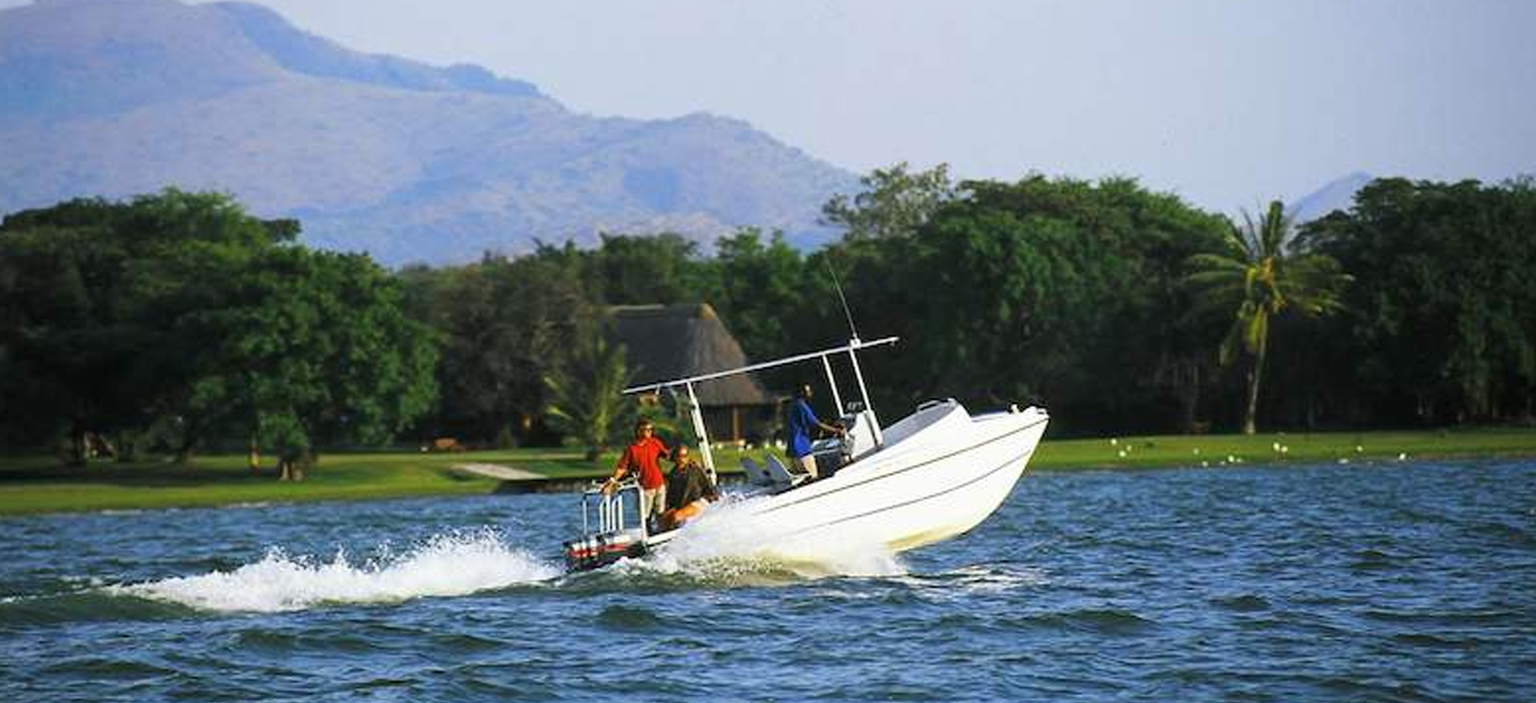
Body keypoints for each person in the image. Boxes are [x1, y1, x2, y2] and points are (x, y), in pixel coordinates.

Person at [604, 419, 670, 526]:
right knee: (645, 516)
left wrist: (685, 459)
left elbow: (668, 455)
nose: (649, 432)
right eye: (646, 430)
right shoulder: (631, 449)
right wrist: (612, 481)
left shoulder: (655, 442)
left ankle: (662, 531)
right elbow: (622, 468)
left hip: (659, 484)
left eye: (650, 429)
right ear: (638, 431)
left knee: (660, 513)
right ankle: (647, 532)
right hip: (645, 488)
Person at [785, 383, 844, 480]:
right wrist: (837, 430)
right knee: (813, 478)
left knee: (802, 480)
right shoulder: (801, 405)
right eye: (808, 391)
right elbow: (816, 424)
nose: (810, 392)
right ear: (801, 393)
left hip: (792, 449)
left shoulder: (792, 405)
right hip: (802, 449)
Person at [659, 444, 718, 531]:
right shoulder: (673, 474)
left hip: (699, 501)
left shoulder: (695, 469)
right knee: (663, 520)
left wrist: (712, 499)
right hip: (684, 505)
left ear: (688, 457)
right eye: (679, 456)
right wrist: (668, 510)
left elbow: (709, 488)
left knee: (676, 516)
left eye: (684, 456)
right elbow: (671, 496)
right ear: (675, 458)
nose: (681, 459)